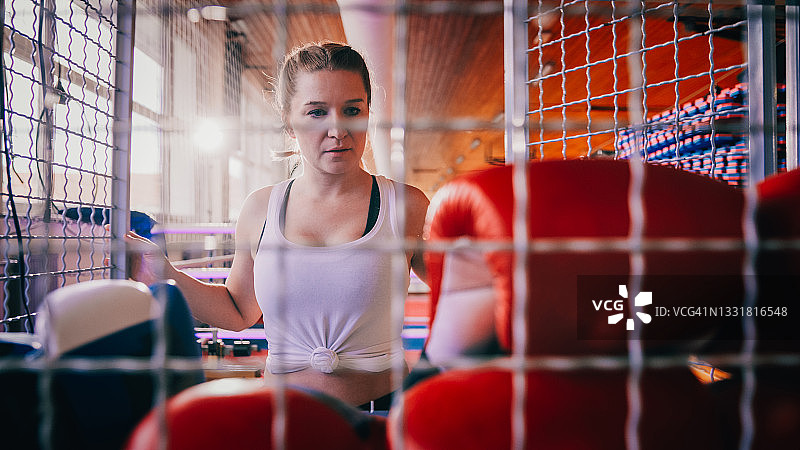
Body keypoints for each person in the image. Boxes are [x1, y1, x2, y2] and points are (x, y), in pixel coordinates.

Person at [125, 42, 429, 409]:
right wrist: (161, 272)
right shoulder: (260, 209)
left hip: (380, 413)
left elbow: (463, 293)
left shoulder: (406, 206)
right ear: (289, 122)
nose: (338, 129)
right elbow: (238, 310)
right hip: (279, 416)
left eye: (352, 110)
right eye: (316, 112)